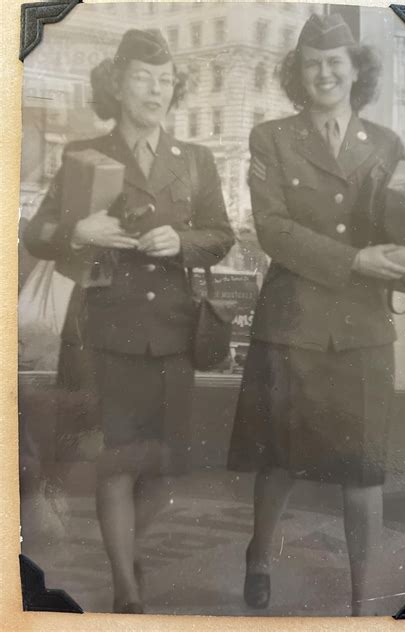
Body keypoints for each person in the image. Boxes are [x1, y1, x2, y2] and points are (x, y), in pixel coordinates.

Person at [227, 14, 405, 615]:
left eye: (335, 63)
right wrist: (357, 259)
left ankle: (360, 605)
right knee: (279, 461)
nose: (324, 73)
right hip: (292, 327)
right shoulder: (270, 137)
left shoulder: (384, 144)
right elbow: (272, 228)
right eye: (311, 64)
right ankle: (259, 554)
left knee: (365, 471)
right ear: (298, 75)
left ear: (356, 71)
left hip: (364, 330)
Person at [24, 29, 234, 614]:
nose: (155, 90)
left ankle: (128, 552)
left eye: (165, 80)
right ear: (117, 85)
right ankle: (127, 591)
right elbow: (34, 234)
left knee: (162, 468)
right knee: (116, 463)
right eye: (143, 77)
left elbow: (222, 235)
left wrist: (184, 240)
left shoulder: (195, 160)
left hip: (172, 334)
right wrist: (78, 232)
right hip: (105, 332)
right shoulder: (83, 155)